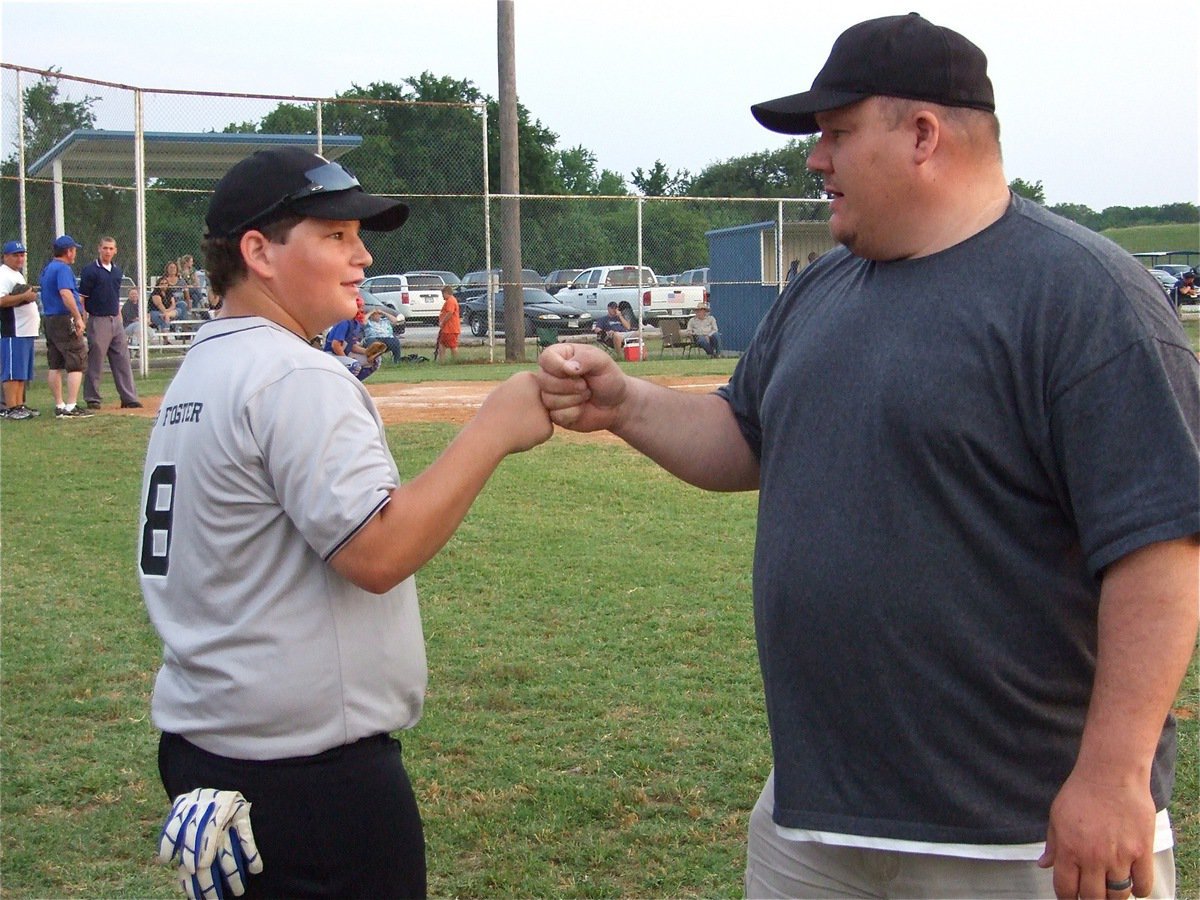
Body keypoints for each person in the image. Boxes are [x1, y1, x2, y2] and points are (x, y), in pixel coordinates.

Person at [536, 13, 1198, 900]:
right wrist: (626, 404)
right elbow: (746, 437)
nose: (815, 160)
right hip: (816, 816)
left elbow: (1161, 551)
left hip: (1020, 834)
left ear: (923, 134)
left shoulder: (1084, 297)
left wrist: (1113, 779)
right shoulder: (824, 287)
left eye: (837, 133)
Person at [138, 147, 552, 899]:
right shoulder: (293, 372)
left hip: (211, 756)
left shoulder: (204, 367)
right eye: (333, 236)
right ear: (258, 252)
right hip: (308, 784)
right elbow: (378, 550)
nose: (361, 255)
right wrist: (494, 428)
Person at [78, 236, 142, 410]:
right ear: (99, 249)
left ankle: (129, 397)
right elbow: (82, 298)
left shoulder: (117, 271)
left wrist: (119, 316)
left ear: (115, 251)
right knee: (96, 358)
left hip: (115, 319)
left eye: (111, 248)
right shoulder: (90, 270)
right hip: (98, 319)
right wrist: (81, 319)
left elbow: (114, 296)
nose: (107, 251)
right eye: (105, 248)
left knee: (122, 358)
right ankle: (92, 397)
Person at [39, 234, 93, 418]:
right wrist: (78, 317)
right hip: (63, 318)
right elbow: (66, 294)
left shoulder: (48, 269)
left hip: (50, 318)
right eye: (73, 250)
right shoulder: (62, 269)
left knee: (55, 363)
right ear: (68, 252)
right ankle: (71, 405)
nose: (75, 253)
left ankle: (59, 405)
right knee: (76, 360)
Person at [0, 240, 41, 420]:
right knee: (11, 372)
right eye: (15, 255)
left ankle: (19, 404)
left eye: (22, 254)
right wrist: (24, 296)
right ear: (5, 257)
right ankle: (11, 408)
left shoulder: (17, 274)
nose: (19, 258)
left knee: (21, 372)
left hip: (26, 330)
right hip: (13, 329)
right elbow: (1, 300)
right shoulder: (3, 274)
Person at [324, 294, 386, 381]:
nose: (362, 309)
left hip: (342, 355)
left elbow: (352, 346)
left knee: (376, 360)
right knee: (354, 365)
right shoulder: (344, 321)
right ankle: (344, 388)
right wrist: (346, 358)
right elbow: (335, 345)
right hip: (330, 355)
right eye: (359, 307)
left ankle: (356, 385)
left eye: (361, 307)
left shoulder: (355, 323)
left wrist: (367, 352)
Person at [150, 260, 186, 331]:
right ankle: (172, 323)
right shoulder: (156, 293)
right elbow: (160, 305)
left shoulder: (179, 282)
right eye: (162, 284)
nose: (164, 285)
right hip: (158, 311)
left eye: (174, 268)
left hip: (171, 308)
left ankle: (180, 326)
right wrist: (166, 312)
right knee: (163, 316)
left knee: (182, 305)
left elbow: (173, 305)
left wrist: (167, 313)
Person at [435, 284, 460, 362]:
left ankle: (456, 361)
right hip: (446, 329)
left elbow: (450, 313)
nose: (442, 296)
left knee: (453, 346)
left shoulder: (450, 301)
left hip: (450, 329)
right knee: (442, 344)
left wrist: (442, 322)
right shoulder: (450, 301)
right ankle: (441, 361)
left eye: (443, 294)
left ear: (446, 293)